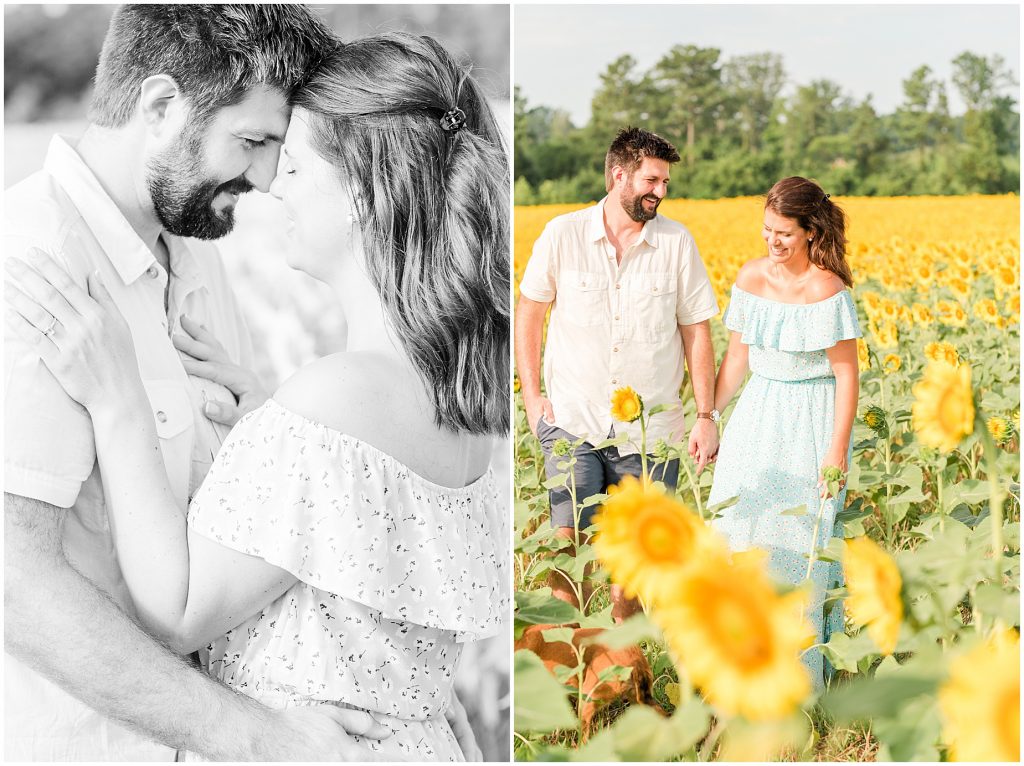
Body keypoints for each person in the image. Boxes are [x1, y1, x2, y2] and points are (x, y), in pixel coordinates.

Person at [6, 31, 509, 763]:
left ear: (363, 199)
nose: (273, 182)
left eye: (294, 160)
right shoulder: (443, 391)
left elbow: (178, 612)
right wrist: (265, 429)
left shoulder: (330, 394)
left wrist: (119, 403)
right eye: (258, 142)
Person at [515, 127, 719, 621]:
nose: (660, 192)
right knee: (568, 553)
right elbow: (529, 313)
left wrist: (707, 415)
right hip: (571, 421)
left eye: (666, 182)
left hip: (650, 431)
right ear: (618, 175)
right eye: (652, 180)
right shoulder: (563, 235)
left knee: (632, 566)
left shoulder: (676, 243)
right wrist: (532, 398)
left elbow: (697, 332)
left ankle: (620, 675)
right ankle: (569, 675)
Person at [706, 176, 861, 691]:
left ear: (811, 232)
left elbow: (846, 375)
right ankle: (739, 678)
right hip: (757, 415)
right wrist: (707, 416)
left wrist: (835, 452)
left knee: (796, 546)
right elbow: (737, 359)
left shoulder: (826, 289)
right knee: (740, 533)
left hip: (810, 422)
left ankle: (795, 689)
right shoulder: (751, 278)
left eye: (785, 233)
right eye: (767, 231)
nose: (773, 242)